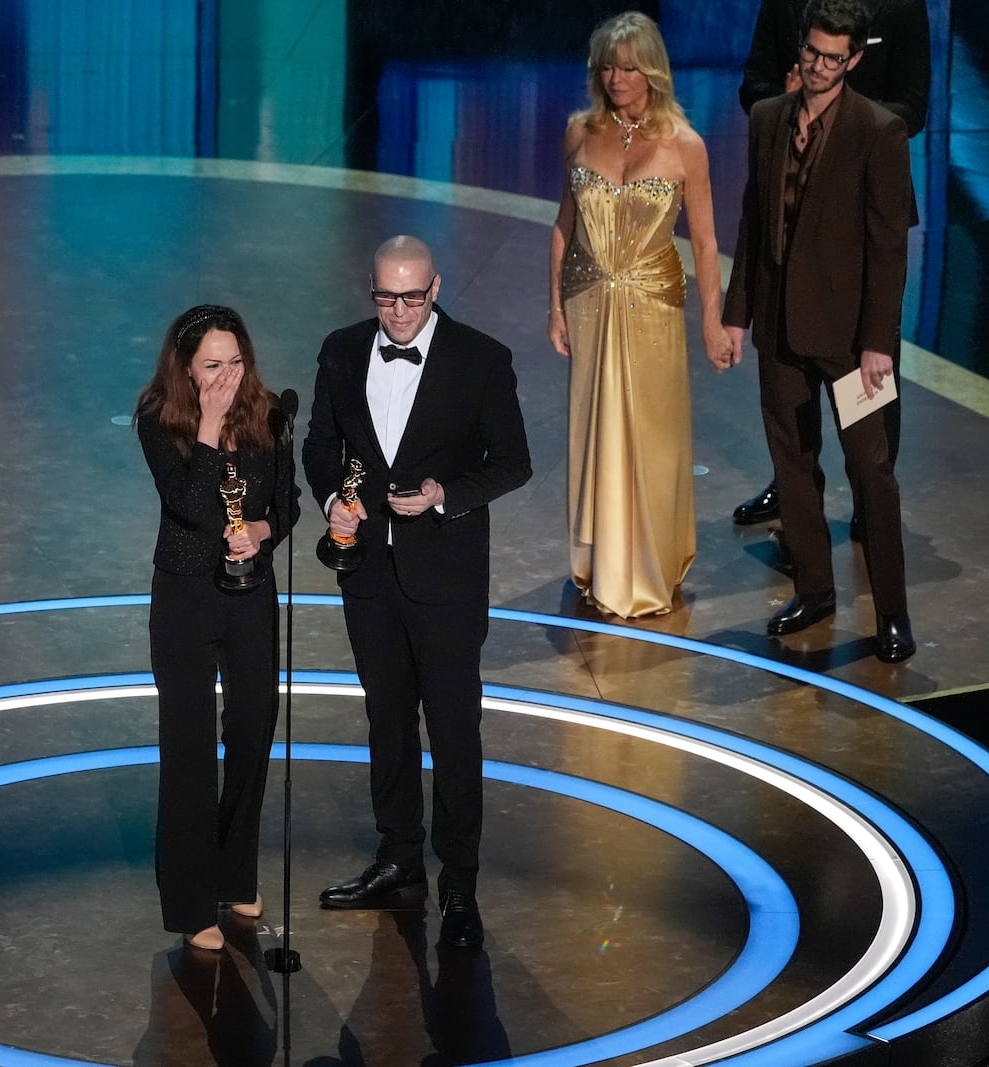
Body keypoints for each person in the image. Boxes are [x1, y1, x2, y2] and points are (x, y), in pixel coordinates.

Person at [301, 235, 531, 949]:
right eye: (386, 297)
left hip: (448, 579)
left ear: (435, 290)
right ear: (371, 290)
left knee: (455, 732)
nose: (399, 312)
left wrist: (442, 494)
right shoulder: (341, 351)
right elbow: (319, 445)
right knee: (388, 722)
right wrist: (332, 503)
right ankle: (399, 857)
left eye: (413, 297)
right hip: (368, 573)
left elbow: (512, 462)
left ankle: (459, 882)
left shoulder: (481, 359)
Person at [722, 0, 917, 663]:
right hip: (779, 327)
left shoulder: (877, 131)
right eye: (811, 53)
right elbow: (754, 222)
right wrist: (734, 314)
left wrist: (878, 344)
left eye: (833, 58)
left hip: (851, 341)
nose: (818, 66)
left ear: (855, 59)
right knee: (792, 463)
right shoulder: (768, 118)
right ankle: (814, 588)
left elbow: (889, 250)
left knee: (871, 468)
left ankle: (891, 610)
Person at [547, 11, 733, 618]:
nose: (616, 77)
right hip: (587, 302)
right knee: (593, 433)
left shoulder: (685, 145)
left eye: (628, 66)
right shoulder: (580, 131)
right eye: (607, 65)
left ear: (652, 69)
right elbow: (563, 228)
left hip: (653, 306)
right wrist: (554, 307)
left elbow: (705, 243)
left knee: (651, 439)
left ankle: (649, 567)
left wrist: (712, 320)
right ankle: (599, 564)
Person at [135, 304, 301, 951]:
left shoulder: (267, 416)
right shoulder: (160, 418)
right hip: (184, 596)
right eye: (212, 365)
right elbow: (185, 501)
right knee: (190, 744)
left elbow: (283, 504)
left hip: (249, 592)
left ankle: (235, 872)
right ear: (185, 369)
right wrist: (207, 424)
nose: (228, 377)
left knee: (254, 726)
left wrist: (259, 531)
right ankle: (189, 898)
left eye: (235, 362)